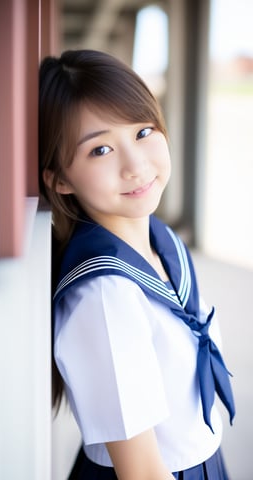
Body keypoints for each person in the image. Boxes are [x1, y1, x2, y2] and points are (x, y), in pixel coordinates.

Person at [38, 49, 235, 479]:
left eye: (144, 131)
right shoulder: (106, 295)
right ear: (60, 180)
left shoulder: (161, 241)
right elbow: (142, 472)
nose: (136, 165)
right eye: (101, 149)